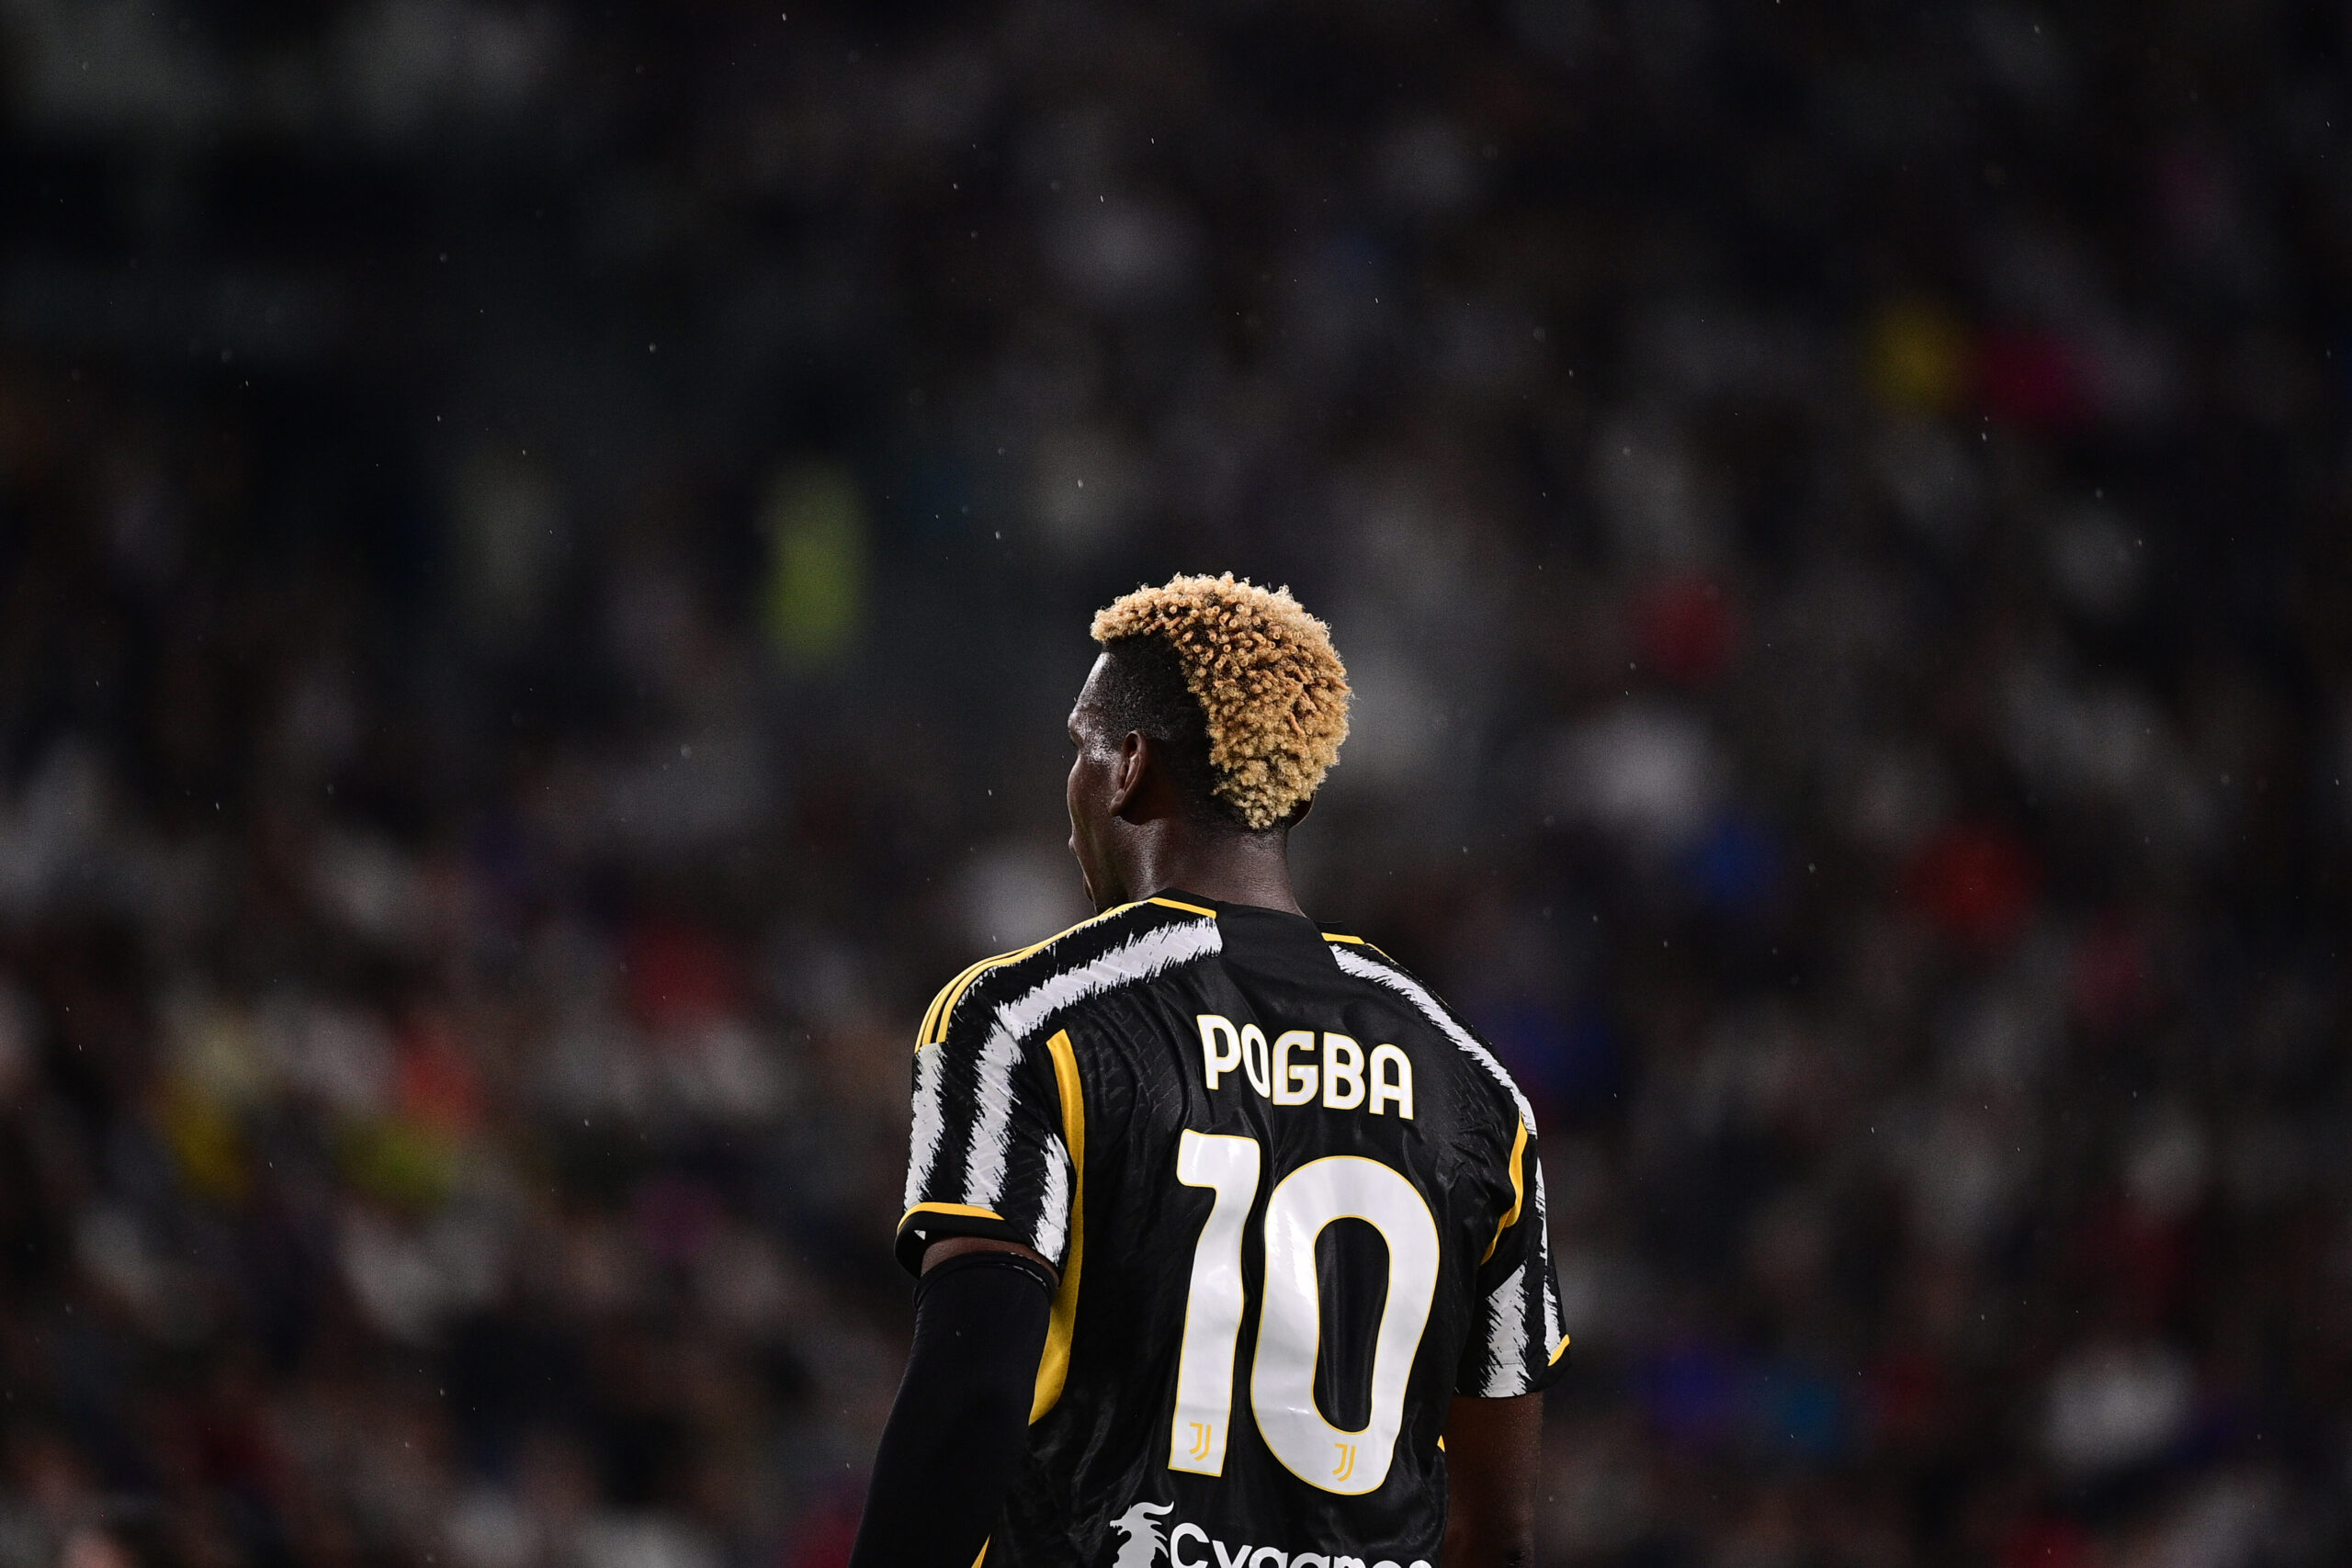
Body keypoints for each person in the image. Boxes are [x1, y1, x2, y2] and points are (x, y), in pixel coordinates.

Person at [850, 575, 1566, 1568]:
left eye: (1080, 746)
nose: (1070, 792)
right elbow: (1494, 1531)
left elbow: (971, 1396)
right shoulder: (1476, 1086)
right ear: (1295, 796)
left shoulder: (1030, 1021)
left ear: (1129, 766)